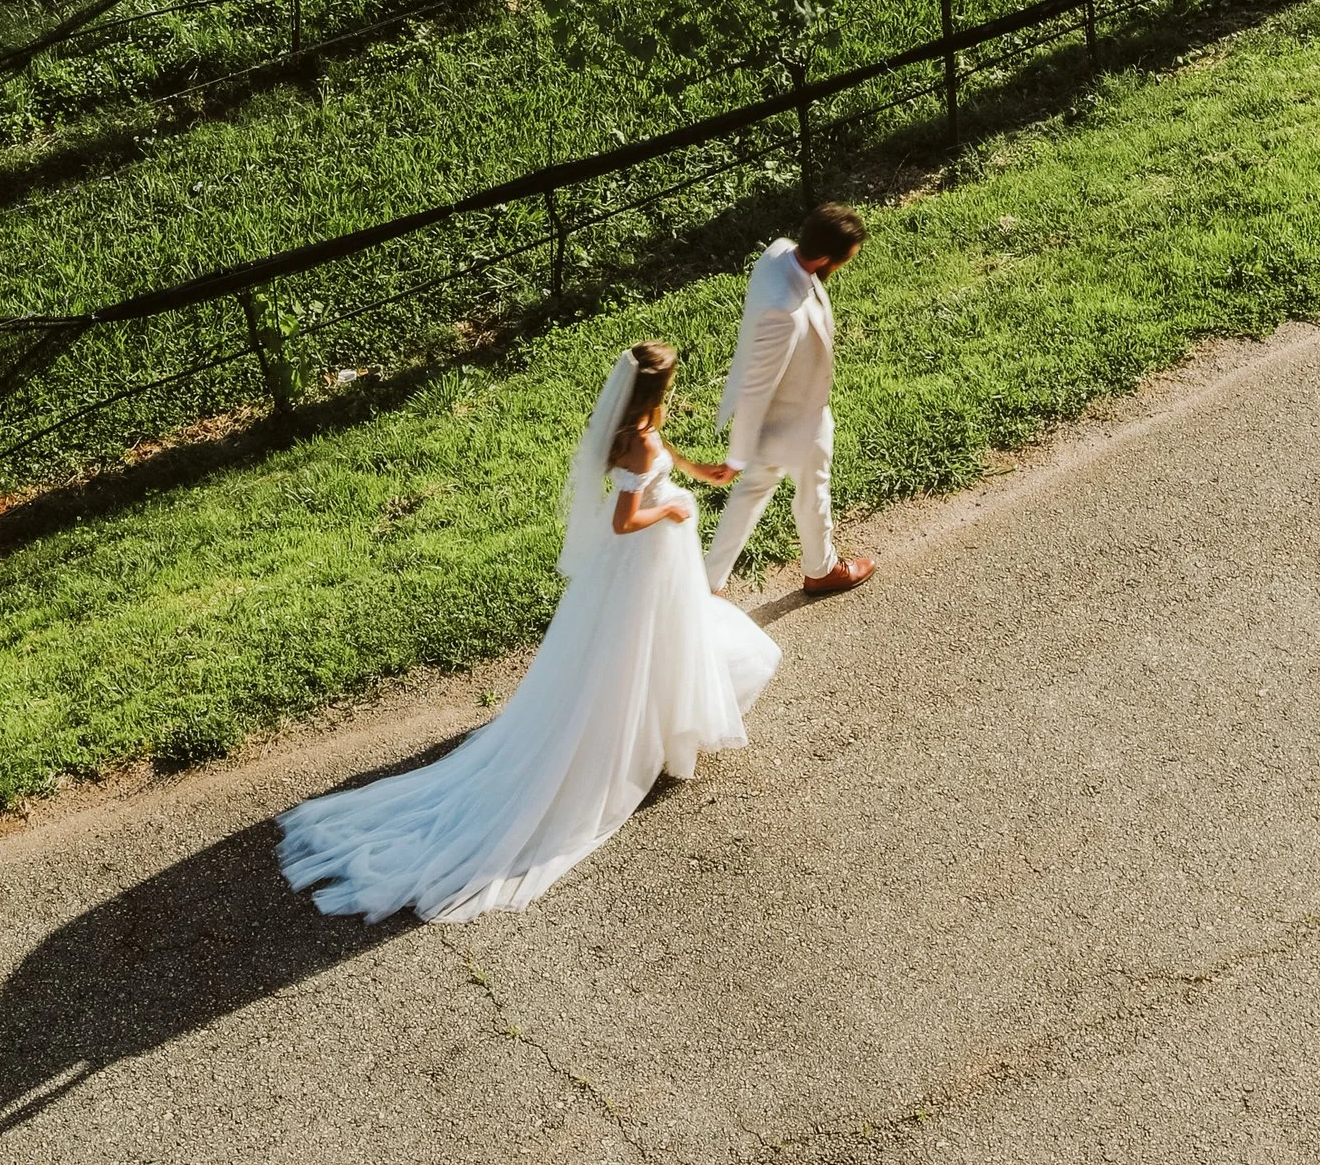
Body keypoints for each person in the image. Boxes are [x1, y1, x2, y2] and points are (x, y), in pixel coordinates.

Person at [276, 340, 778, 924]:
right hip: (643, 558)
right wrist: (671, 509)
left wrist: (694, 471)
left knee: (655, 644)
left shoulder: (636, 428)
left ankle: (661, 726)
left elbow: (656, 457)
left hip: (650, 563)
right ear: (656, 393)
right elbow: (623, 520)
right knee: (642, 648)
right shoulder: (640, 440)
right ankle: (639, 734)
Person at [706, 202, 874, 600]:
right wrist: (736, 456)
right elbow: (756, 387)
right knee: (812, 491)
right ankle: (822, 570)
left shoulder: (779, 251)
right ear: (823, 257)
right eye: (845, 260)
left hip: (789, 413)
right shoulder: (784, 314)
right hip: (797, 418)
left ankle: (705, 584)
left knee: (751, 496)